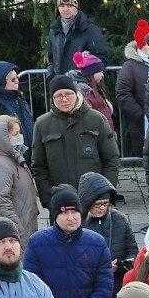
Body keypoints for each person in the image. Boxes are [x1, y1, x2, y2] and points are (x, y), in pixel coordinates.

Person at [30, 78, 119, 210]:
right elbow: (39, 166)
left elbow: (111, 159)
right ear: (52, 99)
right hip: (60, 202)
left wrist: (106, 193)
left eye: (68, 94)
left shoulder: (96, 119)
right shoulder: (42, 124)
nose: (64, 99)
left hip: (95, 199)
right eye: (58, 96)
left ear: (77, 94)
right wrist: (48, 199)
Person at [0, 114, 43, 241]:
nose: (19, 137)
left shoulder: (9, 155)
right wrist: (16, 228)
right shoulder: (1, 165)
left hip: (24, 220)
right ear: (3, 138)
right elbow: (0, 202)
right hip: (18, 228)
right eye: (15, 134)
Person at [79, 171, 137, 297]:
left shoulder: (120, 219)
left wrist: (121, 264)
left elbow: (133, 252)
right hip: (88, 287)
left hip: (118, 284)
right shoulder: (77, 224)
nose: (101, 208)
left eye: (105, 203)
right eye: (97, 204)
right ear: (87, 203)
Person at [46, 0, 110, 77]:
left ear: (76, 7)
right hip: (59, 82)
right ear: (58, 8)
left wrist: (90, 73)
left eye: (69, 6)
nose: (65, 9)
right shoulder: (54, 31)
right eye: (62, 6)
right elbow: (51, 58)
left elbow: (101, 58)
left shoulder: (90, 29)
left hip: (82, 81)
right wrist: (50, 76)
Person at [116, 19, 149, 157]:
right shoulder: (130, 66)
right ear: (142, 45)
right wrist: (140, 114)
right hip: (141, 123)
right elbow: (123, 94)